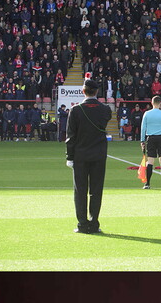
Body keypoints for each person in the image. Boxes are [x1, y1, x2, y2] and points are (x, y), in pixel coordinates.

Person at [65, 79, 112, 234]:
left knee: (80, 191)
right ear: (96, 92)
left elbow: (71, 136)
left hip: (80, 155)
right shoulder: (105, 109)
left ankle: (82, 224)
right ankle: (94, 223)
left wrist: (69, 157)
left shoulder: (76, 110)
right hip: (98, 155)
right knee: (96, 190)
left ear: (83, 91)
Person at [140, 96, 161, 190]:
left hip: (151, 138)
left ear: (151, 103)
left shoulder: (147, 114)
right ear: (160, 104)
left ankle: (147, 184)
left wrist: (142, 140)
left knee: (150, 161)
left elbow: (143, 128)